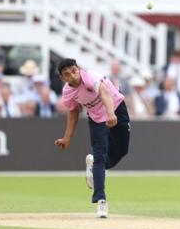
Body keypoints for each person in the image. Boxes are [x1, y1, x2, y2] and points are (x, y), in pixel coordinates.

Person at [54, 58, 130, 218]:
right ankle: (101, 200)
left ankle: (94, 167)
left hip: (116, 108)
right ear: (62, 78)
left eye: (74, 71)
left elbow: (104, 93)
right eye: (67, 74)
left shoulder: (91, 77)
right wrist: (67, 138)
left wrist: (110, 113)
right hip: (96, 119)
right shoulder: (68, 92)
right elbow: (73, 112)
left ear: (78, 68)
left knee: (122, 150)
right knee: (100, 157)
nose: (73, 76)